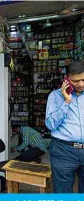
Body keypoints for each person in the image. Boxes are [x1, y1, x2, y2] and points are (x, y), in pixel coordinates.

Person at [46, 61, 84, 193]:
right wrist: (66, 101)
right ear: (66, 79)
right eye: (76, 81)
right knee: (63, 192)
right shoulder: (55, 96)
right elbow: (50, 125)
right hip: (64, 151)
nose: (81, 84)